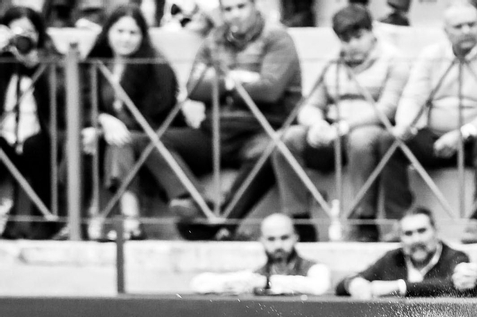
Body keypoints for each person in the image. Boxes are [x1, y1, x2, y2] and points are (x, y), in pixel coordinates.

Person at [149, 0, 301, 241]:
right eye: (228, 9)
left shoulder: (276, 38)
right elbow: (193, 88)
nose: (234, 15)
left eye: (241, 7)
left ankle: (224, 223)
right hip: (214, 131)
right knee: (153, 140)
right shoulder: (214, 39)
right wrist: (234, 81)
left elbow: (270, 89)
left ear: (254, 6)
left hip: (259, 129)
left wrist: (218, 81)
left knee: (271, 148)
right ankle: (197, 204)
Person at [273, 4, 409, 244]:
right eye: (345, 40)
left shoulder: (393, 59)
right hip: (331, 130)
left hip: (369, 129)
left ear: (372, 31)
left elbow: (388, 108)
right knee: (286, 139)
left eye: (358, 37)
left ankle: (364, 221)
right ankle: (299, 220)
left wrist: (346, 126)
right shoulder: (331, 62)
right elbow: (310, 104)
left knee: (361, 139)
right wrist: (316, 124)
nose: (352, 45)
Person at [393, 3, 477, 239]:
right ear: (446, 31)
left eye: (472, 24)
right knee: (388, 140)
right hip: (434, 136)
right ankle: (399, 222)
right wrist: (404, 124)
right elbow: (414, 95)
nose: (467, 30)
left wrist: (461, 133)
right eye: (459, 26)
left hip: (475, 137)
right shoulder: (432, 55)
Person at [80, 4, 179, 242]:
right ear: (108, 32)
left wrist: (115, 126)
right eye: (120, 31)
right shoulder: (96, 63)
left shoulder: (156, 65)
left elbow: (157, 112)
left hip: (150, 135)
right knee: (89, 142)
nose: (126, 38)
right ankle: (88, 220)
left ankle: (128, 221)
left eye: (133, 33)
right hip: (105, 135)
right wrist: (102, 122)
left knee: (119, 142)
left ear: (143, 36)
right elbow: (80, 105)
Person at [0, 6, 68, 238]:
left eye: (29, 31)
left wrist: (35, 65)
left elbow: (62, 98)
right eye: (15, 31)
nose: (22, 37)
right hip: (5, 138)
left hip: (43, 137)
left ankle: (45, 222)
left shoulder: (52, 59)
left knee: (36, 147)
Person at [338, 206, 472, 297]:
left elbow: (452, 285)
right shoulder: (393, 258)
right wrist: (352, 283)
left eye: (422, 231)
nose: (416, 240)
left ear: (435, 230)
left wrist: (399, 287)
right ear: (400, 237)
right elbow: (342, 286)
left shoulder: (454, 257)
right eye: (408, 234)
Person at [191, 211, 332, 294]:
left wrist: (267, 283)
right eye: (271, 239)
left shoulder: (315, 269)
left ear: (296, 237)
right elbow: (199, 283)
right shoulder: (257, 274)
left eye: (284, 238)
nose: (278, 245)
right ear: (262, 241)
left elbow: (320, 287)